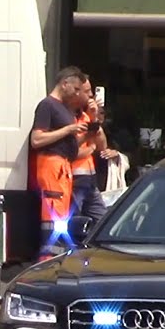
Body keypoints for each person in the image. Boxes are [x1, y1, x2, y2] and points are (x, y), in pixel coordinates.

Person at [29, 66, 90, 259]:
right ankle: (47, 260)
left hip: (63, 167)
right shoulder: (47, 105)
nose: (78, 94)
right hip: (52, 167)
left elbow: (68, 145)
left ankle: (56, 257)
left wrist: (86, 134)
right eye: (77, 89)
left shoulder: (63, 109)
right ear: (65, 84)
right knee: (52, 217)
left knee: (61, 216)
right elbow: (37, 139)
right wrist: (68, 129)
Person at [70, 79, 112, 223]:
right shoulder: (68, 118)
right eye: (87, 91)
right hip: (74, 178)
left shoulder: (86, 116)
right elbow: (69, 152)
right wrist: (90, 148)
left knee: (102, 221)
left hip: (90, 178)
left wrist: (94, 116)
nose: (91, 96)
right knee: (73, 221)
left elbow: (103, 147)